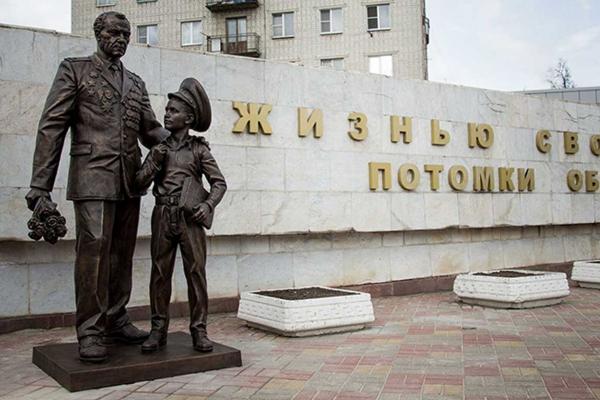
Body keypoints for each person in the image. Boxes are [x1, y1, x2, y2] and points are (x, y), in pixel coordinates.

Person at [26, 11, 168, 362]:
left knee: (122, 253)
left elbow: (150, 130)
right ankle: (90, 329)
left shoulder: (135, 82)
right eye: (113, 32)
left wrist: (180, 139)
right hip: (91, 176)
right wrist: (39, 186)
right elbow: (52, 127)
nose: (120, 39)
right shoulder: (74, 70)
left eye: (125, 34)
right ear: (98, 34)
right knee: (94, 253)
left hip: (130, 180)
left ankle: (116, 318)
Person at [134, 78, 227, 353]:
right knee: (159, 274)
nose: (167, 114)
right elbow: (138, 182)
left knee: (196, 273)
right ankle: (157, 330)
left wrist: (208, 205)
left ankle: (199, 331)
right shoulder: (158, 149)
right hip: (162, 213)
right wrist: (154, 162)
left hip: (189, 218)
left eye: (173, 111)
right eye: (167, 110)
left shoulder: (199, 149)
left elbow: (219, 182)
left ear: (188, 117)